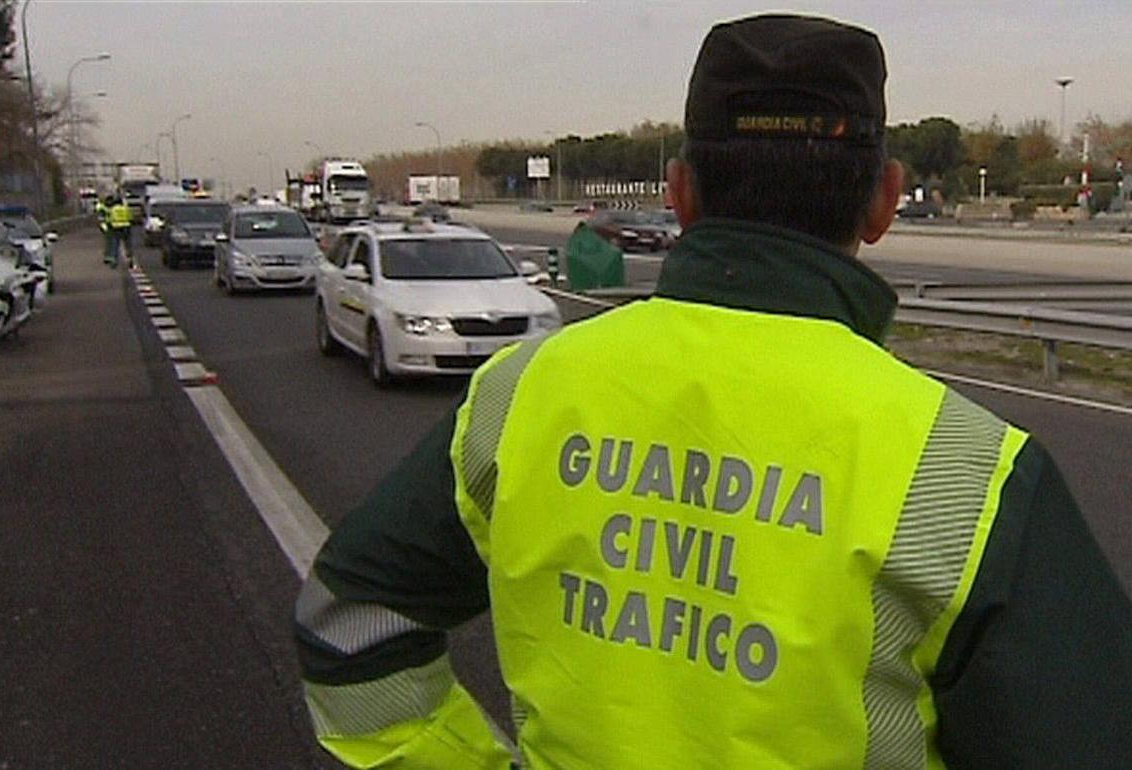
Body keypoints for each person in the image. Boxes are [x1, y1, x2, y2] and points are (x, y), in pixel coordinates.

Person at [294, 14, 1132, 769]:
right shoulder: (970, 473)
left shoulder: (520, 395)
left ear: (681, 195)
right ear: (882, 201)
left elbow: (348, 626)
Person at [107, 195, 134, 268]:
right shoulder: (126, 209)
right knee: (128, 245)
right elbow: (130, 218)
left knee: (115, 245)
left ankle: (114, 261)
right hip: (126, 228)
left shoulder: (113, 209)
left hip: (116, 228)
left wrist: (110, 226)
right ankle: (130, 259)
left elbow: (109, 220)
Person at [95, 196, 113, 264]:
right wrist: (104, 228)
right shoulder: (102, 209)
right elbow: (101, 219)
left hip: (111, 226)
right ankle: (108, 257)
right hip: (106, 227)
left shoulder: (110, 207)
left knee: (111, 242)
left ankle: (110, 256)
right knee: (108, 242)